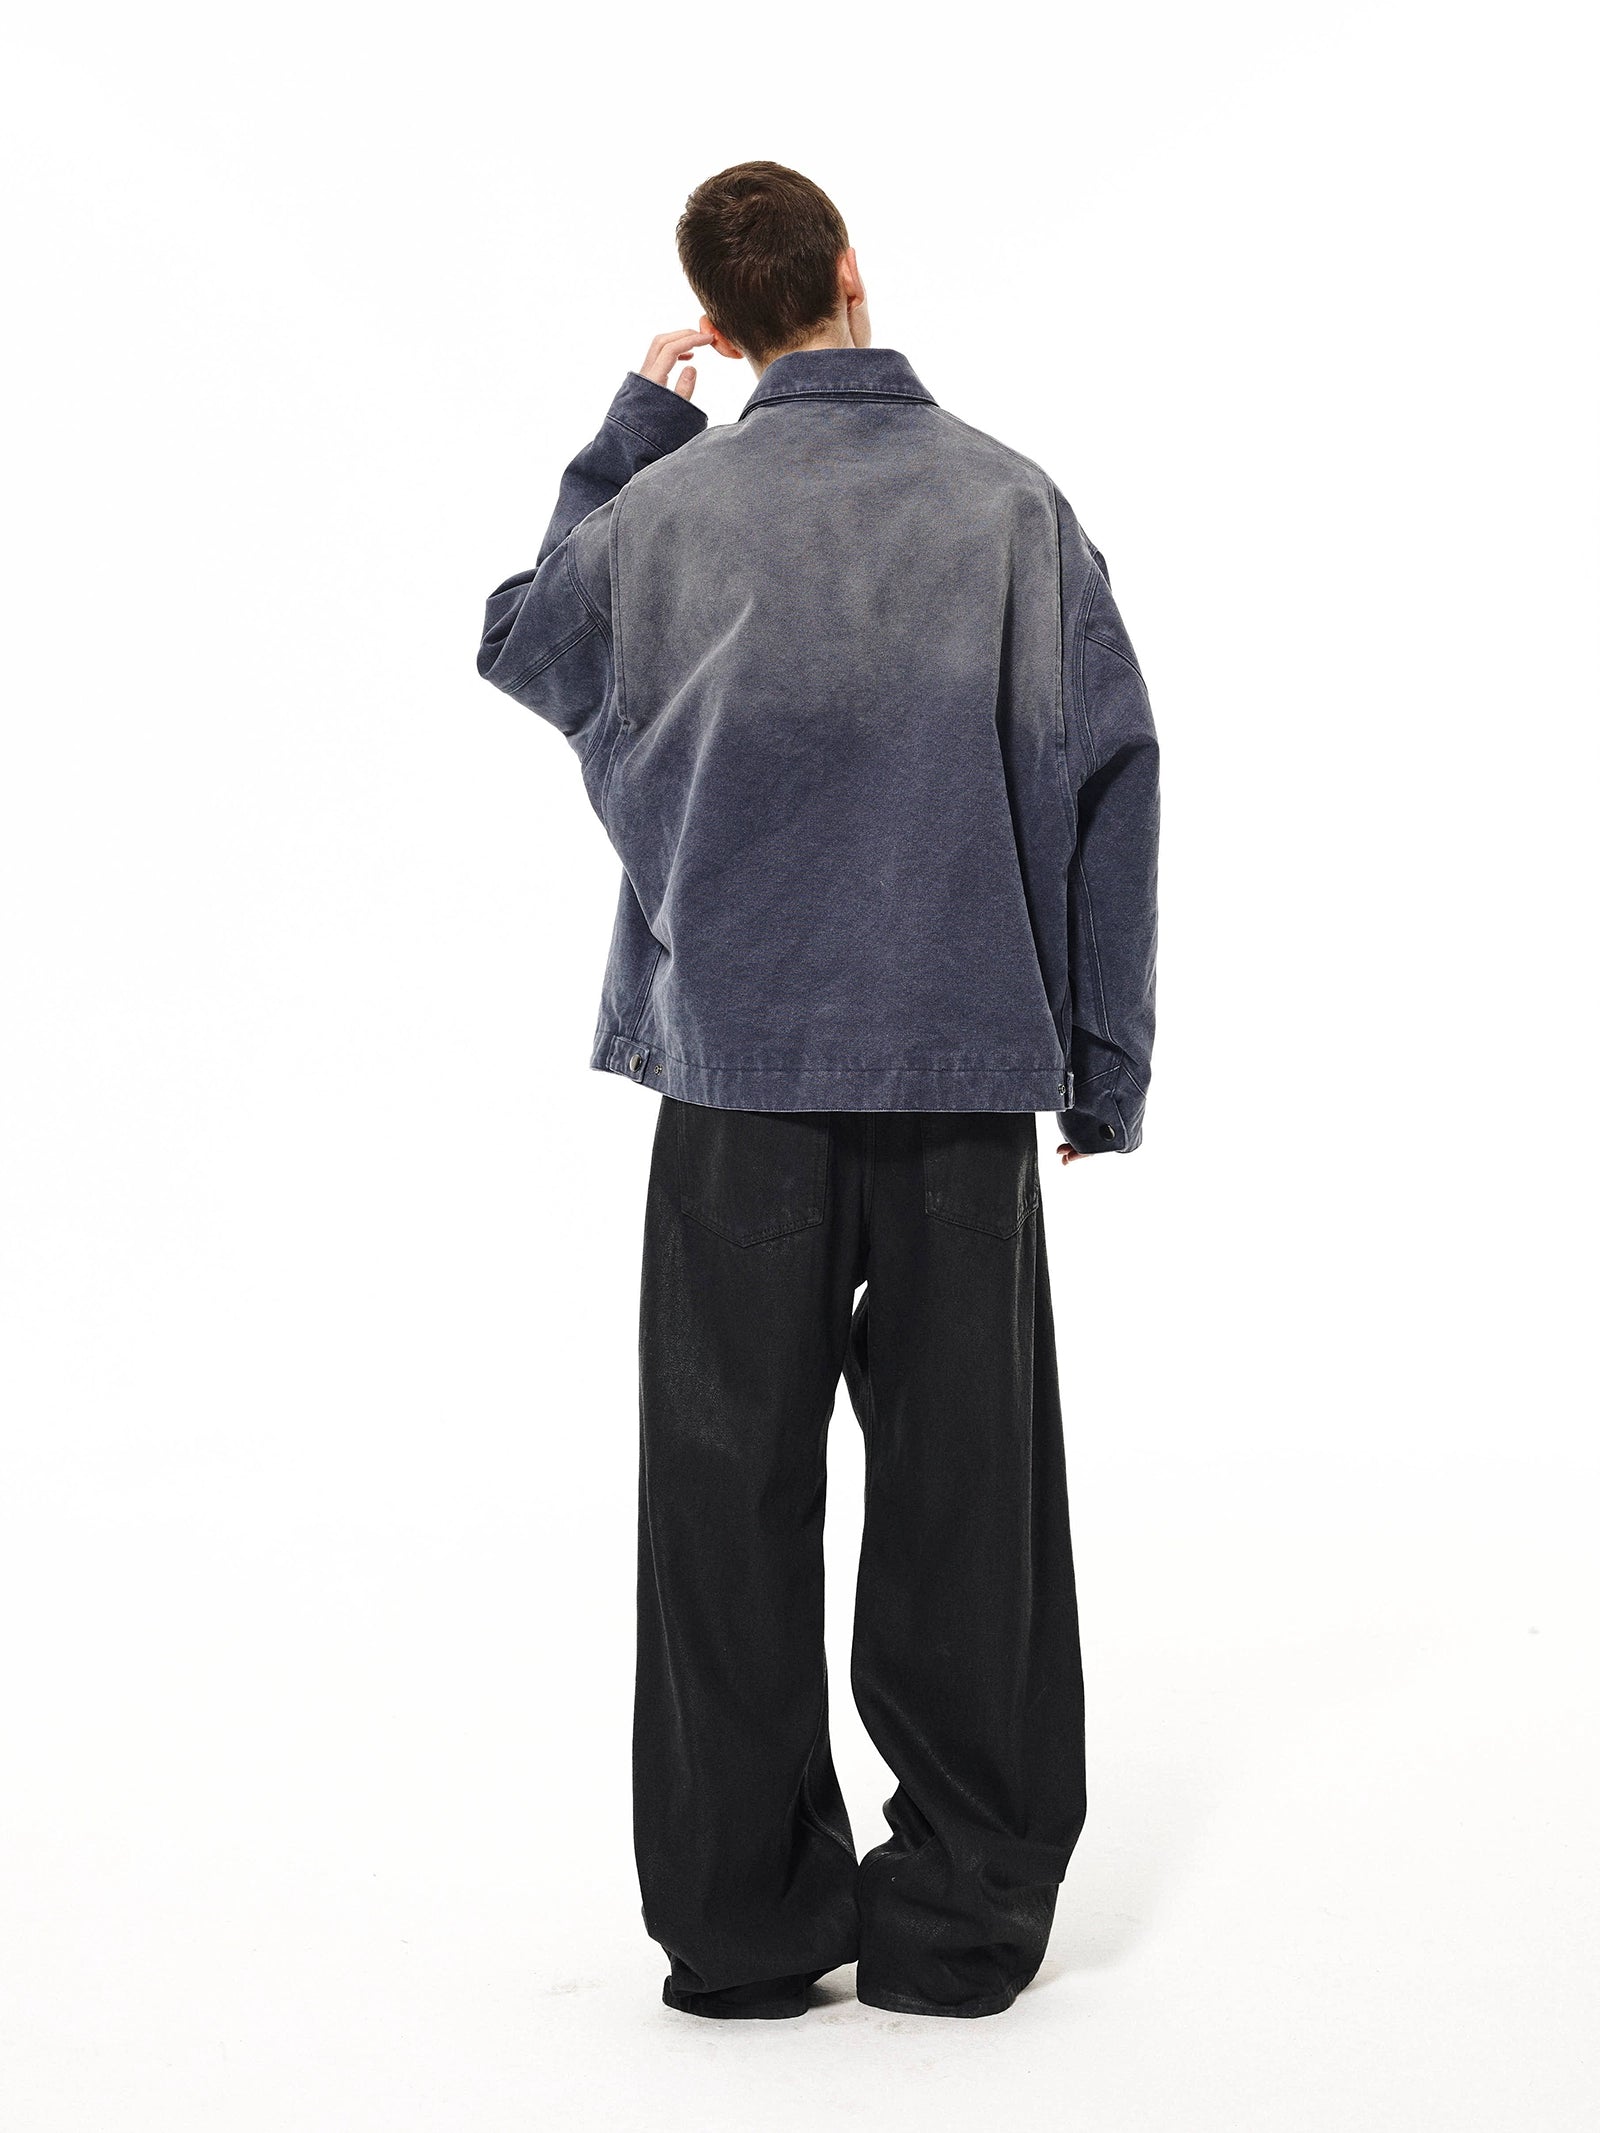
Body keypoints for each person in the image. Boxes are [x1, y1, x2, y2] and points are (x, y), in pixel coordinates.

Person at [476, 160, 1159, 2022]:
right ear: (854, 270)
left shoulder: (665, 513)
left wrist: (637, 427)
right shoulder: (1009, 502)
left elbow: (527, 642)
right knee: (970, 1502)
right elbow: (1109, 773)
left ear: (717, 318)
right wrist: (1102, 1060)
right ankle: (962, 1920)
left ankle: (743, 1924)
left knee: (723, 1504)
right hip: (959, 1071)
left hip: (738, 1081)